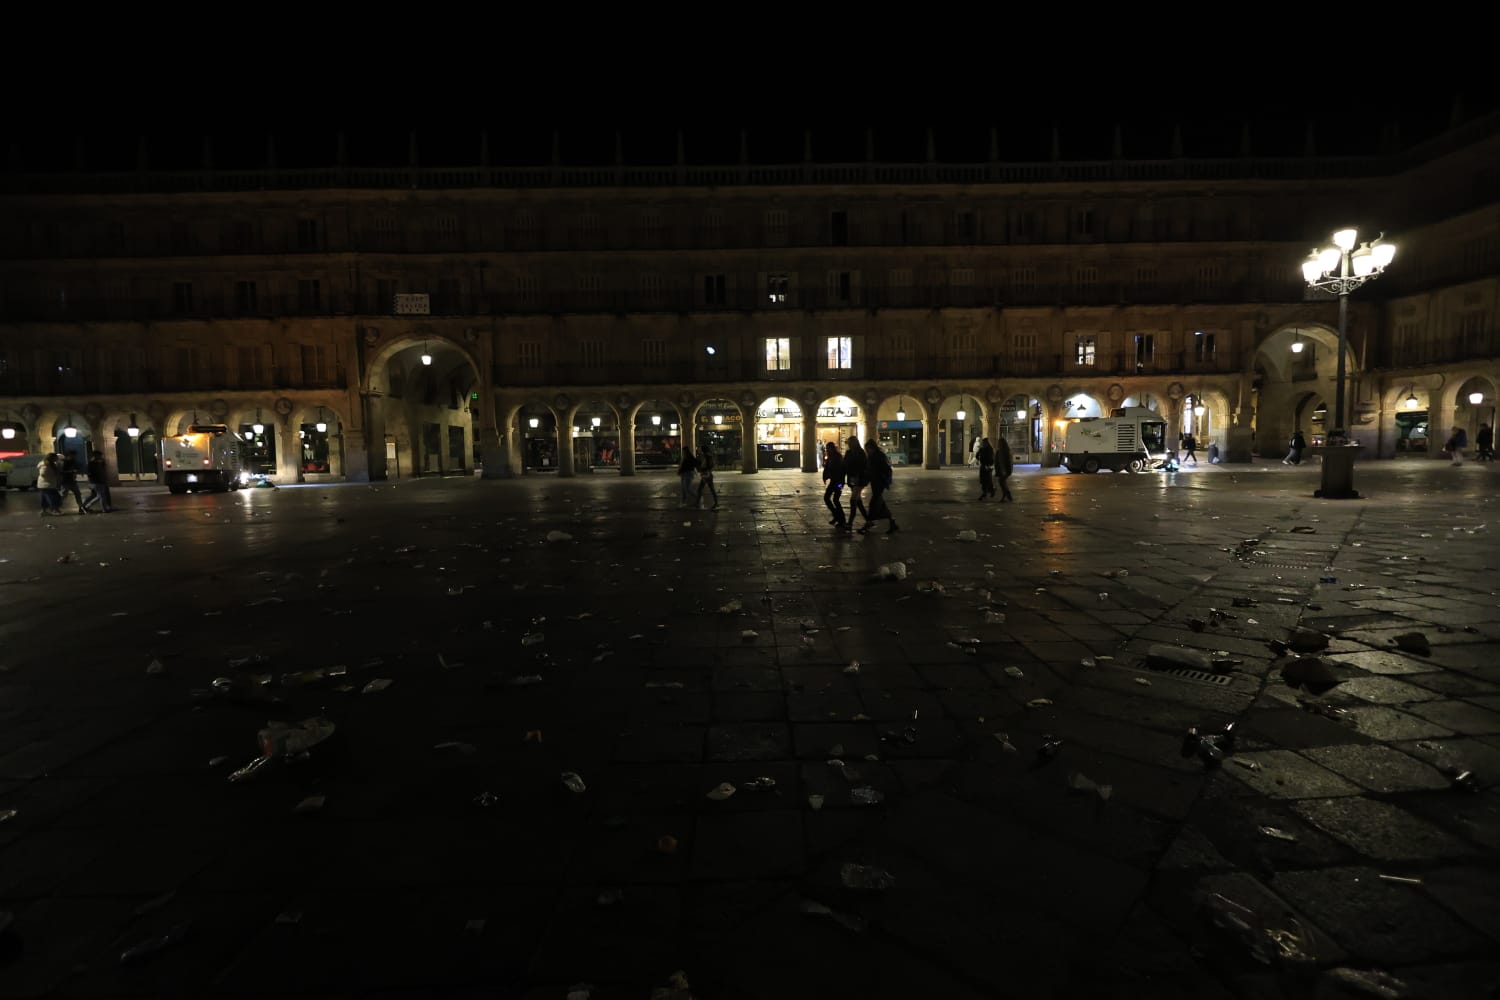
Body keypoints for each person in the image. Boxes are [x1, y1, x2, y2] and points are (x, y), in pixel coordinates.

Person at [861, 439, 899, 534]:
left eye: (868, 449)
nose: (867, 451)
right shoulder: (873, 456)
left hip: (879, 482)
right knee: (881, 505)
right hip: (876, 482)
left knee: (873, 504)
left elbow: (879, 470)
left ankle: (868, 523)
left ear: (872, 448)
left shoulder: (878, 456)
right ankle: (892, 522)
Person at [843, 435, 870, 528]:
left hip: (860, 479)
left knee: (853, 499)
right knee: (858, 501)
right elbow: (845, 464)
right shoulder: (849, 452)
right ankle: (868, 520)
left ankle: (850, 522)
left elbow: (863, 466)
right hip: (852, 479)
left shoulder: (860, 453)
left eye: (850, 443)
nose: (849, 445)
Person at [821, 441, 848, 530]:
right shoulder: (830, 457)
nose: (827, 450)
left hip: (839, 482)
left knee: (836, 499)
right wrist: (825, 476)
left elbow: (841, 470)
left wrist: (841, 483)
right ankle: (837, 516)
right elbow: (827, 468)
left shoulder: (837, 457)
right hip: (834, 481)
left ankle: (841, 519)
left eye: (829, 448)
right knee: (827, 498)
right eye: (827, 448)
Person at [83, 448, 115, 513]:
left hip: (99, 481)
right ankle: (103, 509)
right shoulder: (92, 464)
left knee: (98, 496)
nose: (100, 457)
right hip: (96, 482)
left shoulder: (98, 463)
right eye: (99, 456)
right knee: (101, 496)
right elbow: (91, 473)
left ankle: (86, 506)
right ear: (96, 456)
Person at [695, 443, 719, 510]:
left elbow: (708, 465)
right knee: (708, 488)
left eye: (700, 449)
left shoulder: (707, 456)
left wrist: (703, 469)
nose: (699, 450)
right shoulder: (707, 456)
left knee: (703, 488)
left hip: (706, 474)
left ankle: (697, 503)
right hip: (706, 474)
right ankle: (716, 502)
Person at [995, 434, 1015, 502]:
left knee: (1002, 482)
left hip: (1004, 470)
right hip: (1003, 470)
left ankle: (1007, 495)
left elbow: (1005, 461)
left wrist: (1004, 470)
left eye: (999, 443)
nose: (998, 444)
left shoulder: (1004, 451)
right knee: (1002, 482)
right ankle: (1006, 495)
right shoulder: (1002, 451)